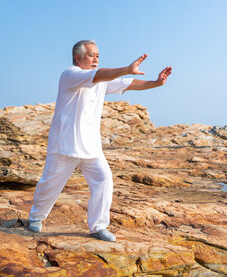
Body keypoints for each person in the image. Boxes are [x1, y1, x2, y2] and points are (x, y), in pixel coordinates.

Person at [28, 40, 172, 242]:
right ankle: (35, 217)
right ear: (78, 57)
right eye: (91, 55)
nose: (95, 58)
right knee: (50, 184)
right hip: (65, 145)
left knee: (104, 180)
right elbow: (100, 75)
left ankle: (98, 226)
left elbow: (128, 84)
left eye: (98, 55)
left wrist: (155, 83)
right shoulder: (70, 74)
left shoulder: (102, 81)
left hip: (91, 147)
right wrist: (127, 69)